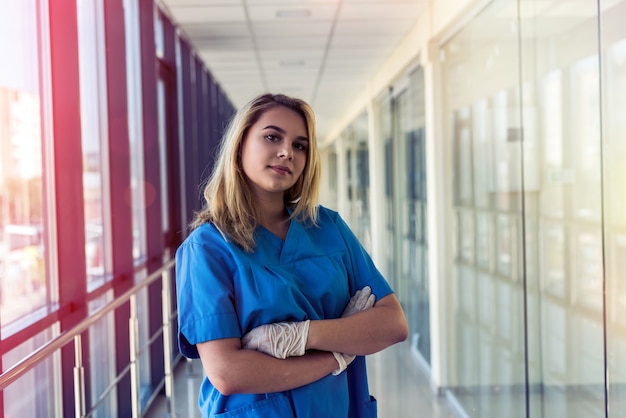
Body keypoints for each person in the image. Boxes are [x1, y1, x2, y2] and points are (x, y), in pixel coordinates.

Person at [175, 92, 408, 417]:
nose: (287, 152)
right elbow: (229, 373)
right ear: (240, 143)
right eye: (272, 137)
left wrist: (301, 336)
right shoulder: (209, 247)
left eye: (300, 145)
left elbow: (393, 323)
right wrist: (338, 353)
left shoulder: (328, 227)